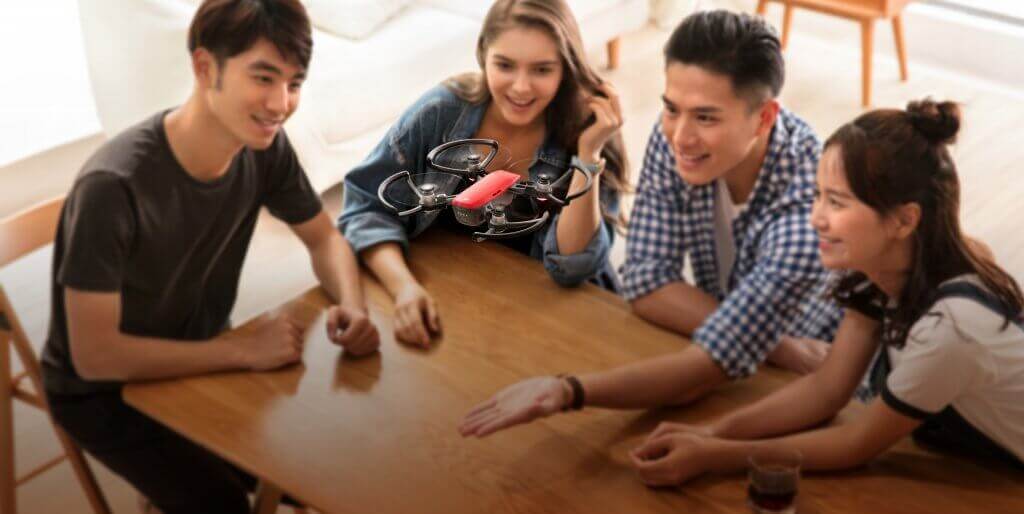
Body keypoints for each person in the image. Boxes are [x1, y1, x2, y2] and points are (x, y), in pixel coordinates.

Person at [40, 1, 380, 512]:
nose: (281, 103)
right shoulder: (112, 187)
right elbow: (95, 356)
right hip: (103, 392)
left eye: (294, 83)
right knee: (224, 504)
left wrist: (353, 305)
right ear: (204, 67)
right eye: (263, 77)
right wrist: (240, 352)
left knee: (318, 470)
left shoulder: (264, 148)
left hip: (200, 354)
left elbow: (324, 239)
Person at [458, 10, 842, 441]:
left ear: (765, 118)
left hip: (822, 389)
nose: (680, 136)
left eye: (706, 117)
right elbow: (646, 280)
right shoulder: (680, 139)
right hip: (764, 359)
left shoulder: (809, 211)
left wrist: (566, 391)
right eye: (672, 108)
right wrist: (771, 342)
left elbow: (706, 368)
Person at [625, 99, 1024, 486]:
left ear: (904, 220)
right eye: (818, 195)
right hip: (974, 462)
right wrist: (711, 433)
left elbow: (856, 443)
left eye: (836, 202)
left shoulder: (952, 328)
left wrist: (713, 456)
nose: (815, 217)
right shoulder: (885, 269)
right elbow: (827, 388)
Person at [338, 0, 629, 347]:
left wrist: (588, 157)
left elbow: (573, 268)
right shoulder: (442, 112)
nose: (521, 87)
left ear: (566, 69)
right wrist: (404, 288)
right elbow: (366, 207)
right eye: (505, 65)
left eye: (541, 70)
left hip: (560, 321)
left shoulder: (590, 132)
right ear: (483, 55)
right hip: (461, 307)